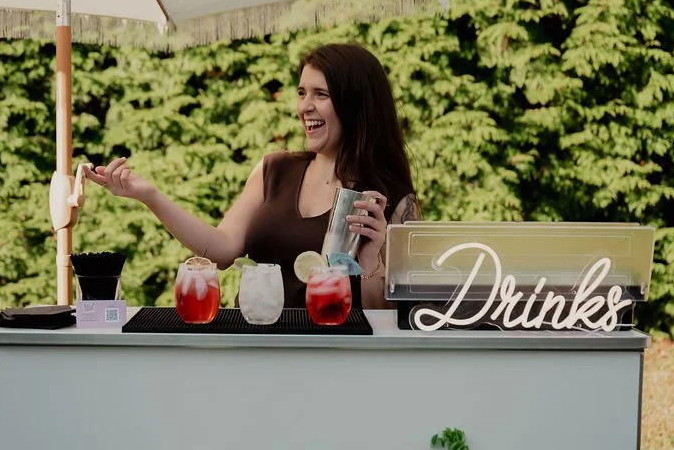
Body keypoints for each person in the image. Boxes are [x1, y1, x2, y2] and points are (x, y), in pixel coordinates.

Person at [82, 42, 422, 309]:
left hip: (332, 361)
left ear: (357, 106)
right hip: (254, 345)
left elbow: (393, 319)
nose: (304, 107)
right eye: (302, 93)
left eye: (321, 94)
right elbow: (222, 250)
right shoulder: (274, 170)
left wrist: (370, 261)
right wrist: (149, 196)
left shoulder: (392, 200)